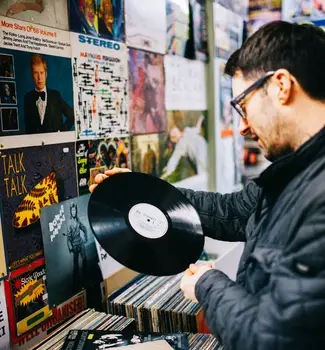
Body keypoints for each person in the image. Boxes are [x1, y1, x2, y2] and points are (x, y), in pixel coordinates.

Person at [90, 21, 325, 349]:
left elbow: (274, 339)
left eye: (243, 106)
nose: (242, 127)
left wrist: (207, 284)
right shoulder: (294, 171)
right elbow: (232, 212)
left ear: (281, 86)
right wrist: (145, 192)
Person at [24, 54, 74, 133]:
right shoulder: (27, 98)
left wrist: (62, 131)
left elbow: (72, 115)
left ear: (46, 74)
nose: (39, 77)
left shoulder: (56, 95)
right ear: (32, 75)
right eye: (36, 73)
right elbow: (28, 129)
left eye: (41, 73)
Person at [66, 202, 88, 293]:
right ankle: (75, 284)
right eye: (72, 210)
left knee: (85, 259)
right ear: (70, 212)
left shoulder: (78, 220)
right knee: (75, 266)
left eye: (75, 210)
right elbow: (68, 237)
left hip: (80, 242)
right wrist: (70, 247)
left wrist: (85, 237)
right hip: (74, 245)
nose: (74, 212)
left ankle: (85, 279)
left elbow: (84, 228)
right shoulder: (69, 223)